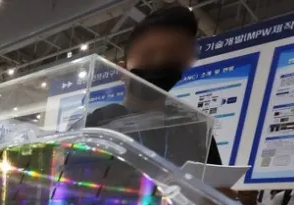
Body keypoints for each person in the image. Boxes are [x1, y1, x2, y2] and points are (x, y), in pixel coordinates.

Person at [84, 5, 222, 166]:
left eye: (170, 58)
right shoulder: (96, 124)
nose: (158, 64)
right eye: (149, 54)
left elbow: (216, 179)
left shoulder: (194, 129)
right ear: (122, 71)